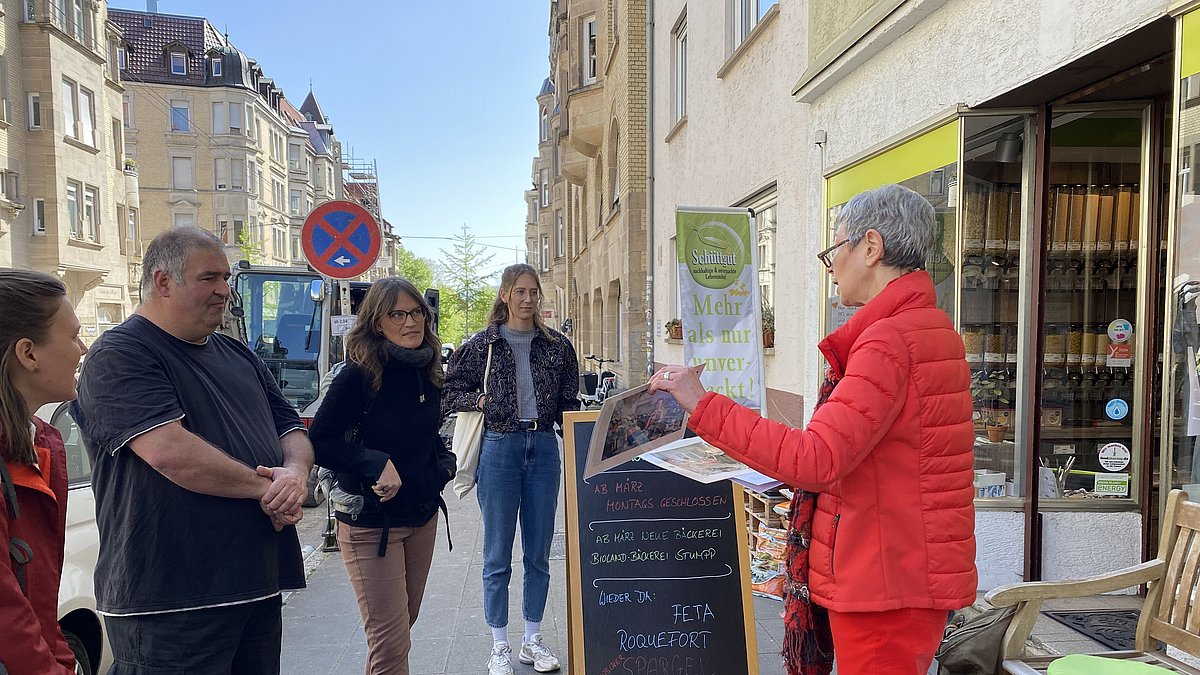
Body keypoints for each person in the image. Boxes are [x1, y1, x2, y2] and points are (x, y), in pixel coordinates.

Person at [651, 184, 977, 675]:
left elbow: (816, 459)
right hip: (900, 569)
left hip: (882, 579)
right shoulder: (926, 327)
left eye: (835, 247)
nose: (831, 264)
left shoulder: (889, 340)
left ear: (871, 247)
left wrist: (704, 408)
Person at [71, 227, 311, 674]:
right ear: (163, 282)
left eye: (226, 278)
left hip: (256, 584)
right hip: (171, 601)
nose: (224, 290)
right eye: (209, 278)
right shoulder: (121, 353)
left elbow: (291, 429)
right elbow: (169, 452)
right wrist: (268, 489)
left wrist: (295, 476)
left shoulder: (238, 354)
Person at [308, 277, 455, 675]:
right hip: (371, 525)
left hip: (421, 518)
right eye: (398, 314)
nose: (411, 322)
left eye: (417, 312)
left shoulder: (428, 369)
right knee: (390, 643)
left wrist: (443, 465)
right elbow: (318, 441)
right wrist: (372, 462)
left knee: (401, 630)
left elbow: (427, 436)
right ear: (377, 322)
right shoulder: (359, 375)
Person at [444, 263, 580, 675]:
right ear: (505, 294)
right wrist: (481, 402)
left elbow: (569, 403)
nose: (527, 299)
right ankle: (499, 643)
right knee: (497, 553)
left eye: (533, 292)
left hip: (542, 447)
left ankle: (532, 639)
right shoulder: (482, 344)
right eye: (519, 291)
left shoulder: (557, 346)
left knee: (538, 553)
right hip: (499, 448)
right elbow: (450, 391)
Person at [0, 270, 87, 674]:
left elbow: (39, 601)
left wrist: (63, 663)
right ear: (28, 354)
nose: (82, 349)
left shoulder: (43, 445)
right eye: (72, 336)